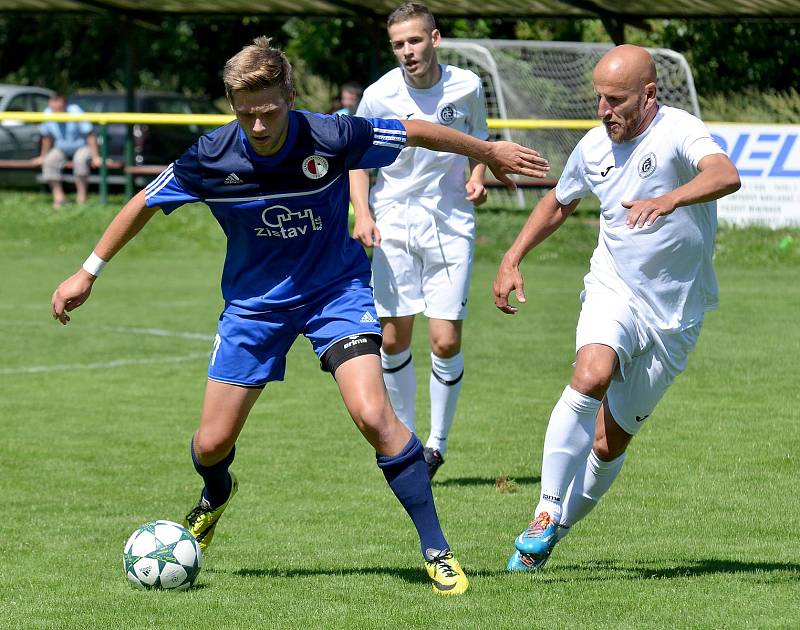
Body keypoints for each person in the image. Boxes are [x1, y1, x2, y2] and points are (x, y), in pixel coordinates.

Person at [51, 36, 549, 595]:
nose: (259, 127)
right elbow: (144, 201)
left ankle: (437, 550)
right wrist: (88, 270)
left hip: (335, 294)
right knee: (211, 444)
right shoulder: (212, 156)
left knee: (373, 416)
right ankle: (216, 494)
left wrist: (485, 151)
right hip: (254, 307)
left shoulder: (330, 134)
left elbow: (413, 130)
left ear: (289, 94)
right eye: (246, 115)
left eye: (268, 111)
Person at [493, 44, 740, 572]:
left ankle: (552, 535)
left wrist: (668, 199)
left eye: (616, 100)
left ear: (649, 95)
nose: (605, 111)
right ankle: (544, 509)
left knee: (608, 443)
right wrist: (512, 256)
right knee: (591, 373)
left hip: (675, 312)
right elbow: (560, 201)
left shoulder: (679, 130)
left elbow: (725, 174)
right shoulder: (593, 146)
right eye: (599, 99)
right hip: (613, 288)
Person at [350, 2, 489, 479]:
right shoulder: (378, 95)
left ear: (435, 38)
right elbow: (357, 161)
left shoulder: (468, 87)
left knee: (445, 341)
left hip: (450, 223)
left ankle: (437, 444)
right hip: (393, 223)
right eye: (398, 44)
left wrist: (478, 176)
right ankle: (407, 441)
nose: (407, 52)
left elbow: (480, 142)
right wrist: (363, 213)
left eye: (414, 40)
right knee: (393, 338)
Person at [33, 93, 101, 208]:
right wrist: (42, 156)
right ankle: (59, 198)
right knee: (49, 162)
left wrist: (95, 157)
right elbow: (47, 137)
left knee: (80, 161)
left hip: (81, 146)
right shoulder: (47, 113)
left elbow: (90, 134)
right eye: (53, 108)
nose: (55, 111)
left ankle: (82, 197)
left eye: (58, 108)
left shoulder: (75, 111)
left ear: (65, 104)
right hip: (61, 147)